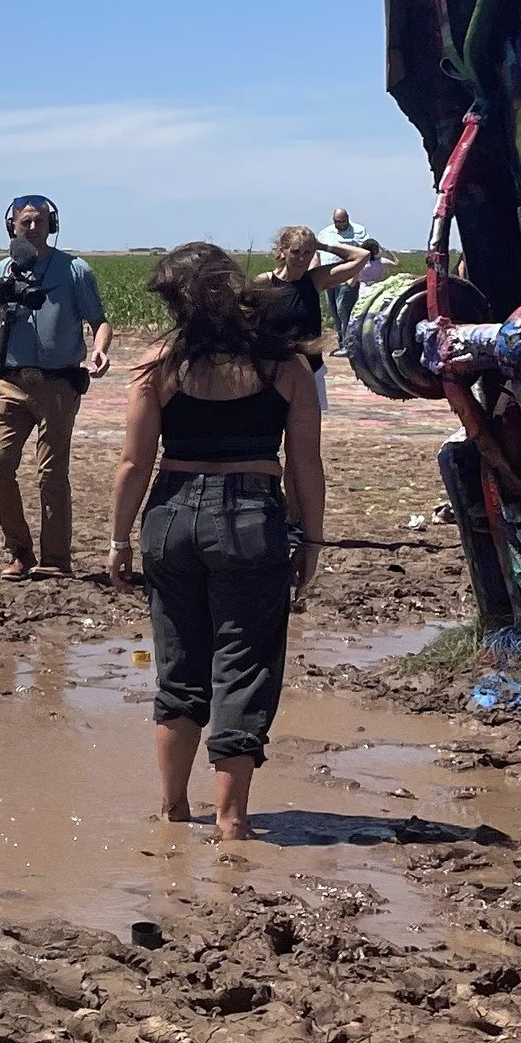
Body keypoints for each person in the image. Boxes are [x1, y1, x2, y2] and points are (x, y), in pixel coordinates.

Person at [108, 243, 324, 839]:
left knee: (178, 667)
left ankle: (175, 809)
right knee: (245, 664)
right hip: (252, 514)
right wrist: (312, 540)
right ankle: (231, 820)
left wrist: (118, 540)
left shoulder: (159, 364)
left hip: (171, 514)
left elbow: (133, 462)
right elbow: (306, 464)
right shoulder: (284, 367)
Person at [0, 196, 113, 579]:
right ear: (12, 227)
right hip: (12, 384)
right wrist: (1, 302)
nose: (32, 228)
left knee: (51, 473)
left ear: (52, 225)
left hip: (59, 386)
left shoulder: (74, 270)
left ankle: (55, 560)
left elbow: (99, 321)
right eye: (25, 222)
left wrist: (99, 351)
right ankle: (19, 552)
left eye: (40, 221)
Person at [257, 225, 371, 412]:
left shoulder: (316, 280)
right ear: (282, 251)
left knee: (306, 433)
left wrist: (324, 246)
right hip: (273, 370)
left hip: (310, 370)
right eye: (296, 252)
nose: (302, 258)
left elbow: (362, 256)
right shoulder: (265, 283)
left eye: (308, 252)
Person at [323, 207, 369, 333]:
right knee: (334, 311)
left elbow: (365, 252)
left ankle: (349, 342)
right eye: (338, 221)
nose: (341, 224)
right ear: (333, 220)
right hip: (328, 276)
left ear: (348, 218)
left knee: (344, 310)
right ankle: (341, 341)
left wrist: (355, 274)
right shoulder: (325, 232)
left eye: (343, 221)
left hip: (347, 276)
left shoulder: (359, 231)